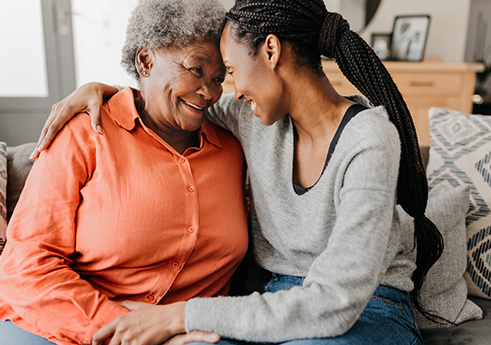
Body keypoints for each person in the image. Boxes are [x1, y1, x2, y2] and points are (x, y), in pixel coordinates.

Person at [33, 1, 445, 345]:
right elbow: (170, 99)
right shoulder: (252, 118)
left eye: (227, 72)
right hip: (270, 305)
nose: (221, 92)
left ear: (270, 51)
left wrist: (182, 315)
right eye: (213, 76)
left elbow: (336, 300)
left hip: (366, 309)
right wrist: (104, 91)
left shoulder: (370, 139)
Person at [0, 0, 249, 344]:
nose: (209, 92)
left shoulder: (234, 149)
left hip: (196, 335)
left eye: (219, 78)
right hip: (71, 326)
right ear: (145, 61)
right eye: (196, 69)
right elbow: (26, 267)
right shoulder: (85, 133)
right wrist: (126, 327)